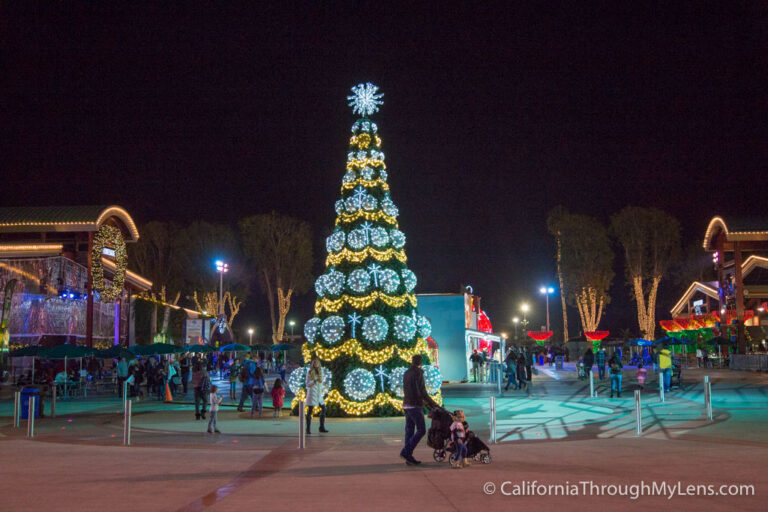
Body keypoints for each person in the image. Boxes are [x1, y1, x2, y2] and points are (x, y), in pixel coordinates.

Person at [399, 354, 438, 466]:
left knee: (409, 431)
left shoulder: (406, 373)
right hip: (415, 405)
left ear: (412, 362)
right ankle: (406, 452)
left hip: (406, 404)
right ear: (420, 363)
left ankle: (408, 456)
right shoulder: (418, 373)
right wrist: (432, 403)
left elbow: (408, 388)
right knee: (421, 430)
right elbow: (422, 390)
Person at [305, 358, 329, 434]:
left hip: (319, 395)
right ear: (313, 364)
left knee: (324, 408)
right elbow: (307, 384)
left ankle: (321, 427)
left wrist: (324, 386)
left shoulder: (320, 372)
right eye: (315, 363)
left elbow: (321, 383)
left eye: (317, 363)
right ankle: (308, 428)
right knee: (310, 411)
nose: (316, 364)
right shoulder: (309, 372)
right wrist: (314, 381)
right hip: (312, 394)